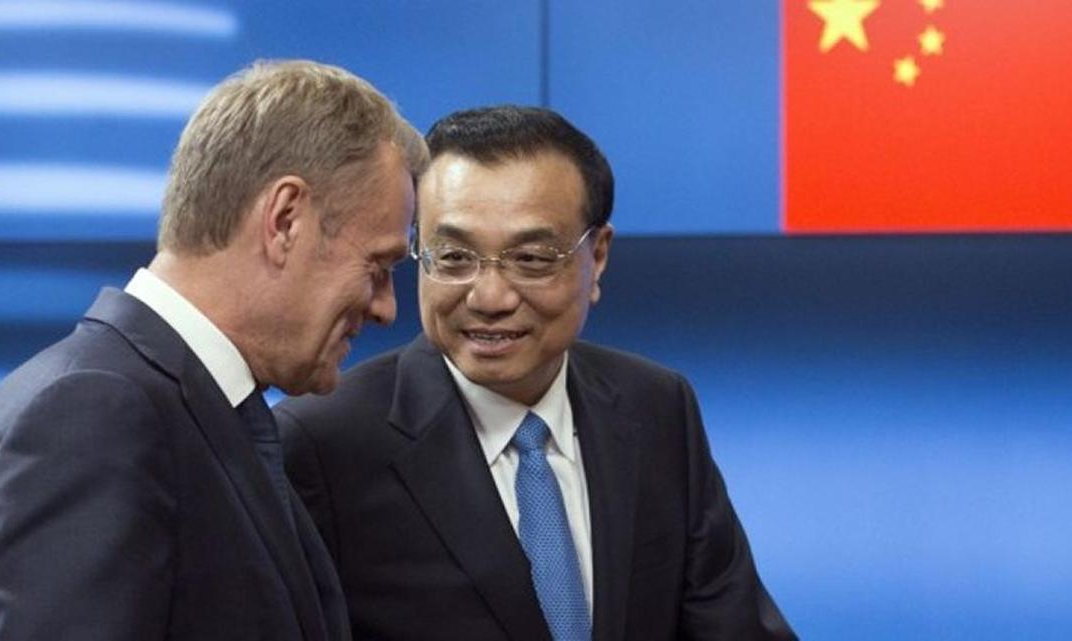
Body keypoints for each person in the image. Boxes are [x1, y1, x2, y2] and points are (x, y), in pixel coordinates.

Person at [276, 105, 796, 641]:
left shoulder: (657, 407)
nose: (490, 298)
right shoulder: (320, 444)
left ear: (596, 258)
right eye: (453, 257)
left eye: (531, 259)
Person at [0, 60, 427, 640]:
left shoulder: (194, 410)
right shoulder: (97, 411)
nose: (386, 308)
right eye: (377, 267)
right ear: (285, 220)